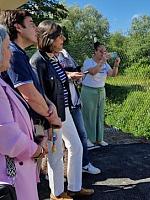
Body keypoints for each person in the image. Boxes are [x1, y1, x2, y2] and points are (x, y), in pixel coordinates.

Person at [30, 20, 94, 200]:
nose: (63, 39)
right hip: (51, 116)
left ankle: (74, 187)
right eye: (59, 36)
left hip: (63, 111)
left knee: (76, 146)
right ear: (49, 38)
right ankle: (57, 193)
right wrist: (48, 120)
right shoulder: (37, 61)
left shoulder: (53, 57)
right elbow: (39, 94)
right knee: (55, 155)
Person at [0, 10, 61, 147]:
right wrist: (53, 118)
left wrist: (49, 104)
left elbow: (35, 89)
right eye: (32, 24)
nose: (36, 30)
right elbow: (30, 95)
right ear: (18, 27)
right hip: (24, 128)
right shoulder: (14, 54)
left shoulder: (20, 54)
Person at [0, 24, 46, 200]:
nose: (9, 53)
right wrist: (37, 150)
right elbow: (8, 137)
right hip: (11, 174)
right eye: (5, 48)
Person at [57, 49, 101, 174]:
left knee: (82, 134)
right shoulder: (44, 58)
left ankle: (84, 164)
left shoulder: (66, 55)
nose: (62, 40)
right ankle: (56, 172)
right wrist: (69, 75)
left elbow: (76, 73)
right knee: (60, 140)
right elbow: (52, 75)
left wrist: (77, 76)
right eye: (59, 37)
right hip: (61, 104)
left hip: (74, 102)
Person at [81, 42, 121, 147]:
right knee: (89, 115)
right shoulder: (88, 62)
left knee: (99, 115)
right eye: (101, 51)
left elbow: (113, 74)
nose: (103, 53)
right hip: (89, 91)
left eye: (105, 51)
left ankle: (99, 139)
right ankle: (88, 139)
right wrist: (102, 62)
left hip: (101, 91)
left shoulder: (105, 64)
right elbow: (93, 72)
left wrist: (116, 64)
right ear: (94, 51)